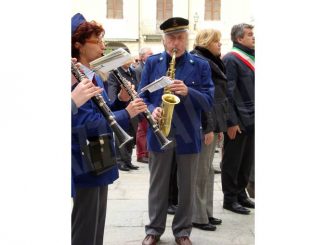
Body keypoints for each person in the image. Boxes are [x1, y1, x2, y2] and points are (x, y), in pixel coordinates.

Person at [71, 13, 147, 245]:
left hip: (100, 152)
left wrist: (122, 101)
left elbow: (103, 111)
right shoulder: (74, 78)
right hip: (85, 156)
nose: (103, 46)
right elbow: (85, 124)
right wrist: (128, 113)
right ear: (78, 45)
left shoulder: (94, 75)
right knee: (86, 222)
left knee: (98, 219)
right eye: (98, 41)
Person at [138, 17, 214, 245]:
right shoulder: (152, 63)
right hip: (159, 132)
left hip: (189, 133)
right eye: (171, 38)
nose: (176, 43)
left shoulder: (200, 65)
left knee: (187, 186)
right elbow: (142, 96)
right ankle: (154, 229)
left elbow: (210, 100)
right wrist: (151, 110)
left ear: (187, 39)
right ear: (164, 41)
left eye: (180, 38)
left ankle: (182, 232)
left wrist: (189, 92)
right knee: (157, 184)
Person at [190, 28, 228, 231]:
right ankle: (198, 216)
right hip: (206, 123)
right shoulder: (200, 61)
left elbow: (219, 98)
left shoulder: (211, 59)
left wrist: (219, 126)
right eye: (217, 41)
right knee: (201, 172)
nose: (220, 44)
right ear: (206, 42)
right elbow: (204, 99)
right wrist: (208, 127)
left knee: (209, 170)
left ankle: (207, 212)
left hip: (214, 121)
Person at [221, 23, 255, 215]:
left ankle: (241, 193)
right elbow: (227, 94)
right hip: (238, 120)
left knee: (246, 160)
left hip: (252, 119)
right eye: (250, 35)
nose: (254, 37)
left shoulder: (251, 57)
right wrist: (231, 122)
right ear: (239, 38)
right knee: (232, 161)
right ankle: (230, 198)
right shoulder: (232, 59)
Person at [107, 57, 140, 171]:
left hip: (133, 107)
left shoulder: (133, 72)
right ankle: (120, 161)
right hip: (122, 107)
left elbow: (137, 86)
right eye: (126, 58)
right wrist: (118, 100)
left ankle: (128, 160)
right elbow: (112, 91)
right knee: (121, 136)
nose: (129, 60)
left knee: (131, 135)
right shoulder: (115, 73)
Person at [134, 47, 153, 163]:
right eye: (149, 54)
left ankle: (145, 152)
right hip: (141, 101)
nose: (152, 55)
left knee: (146, 128)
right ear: (142, 57)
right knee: (142, 129)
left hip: (147, 101)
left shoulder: (147, 67)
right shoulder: (139, 69)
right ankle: (141, 154)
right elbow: (139, 86)